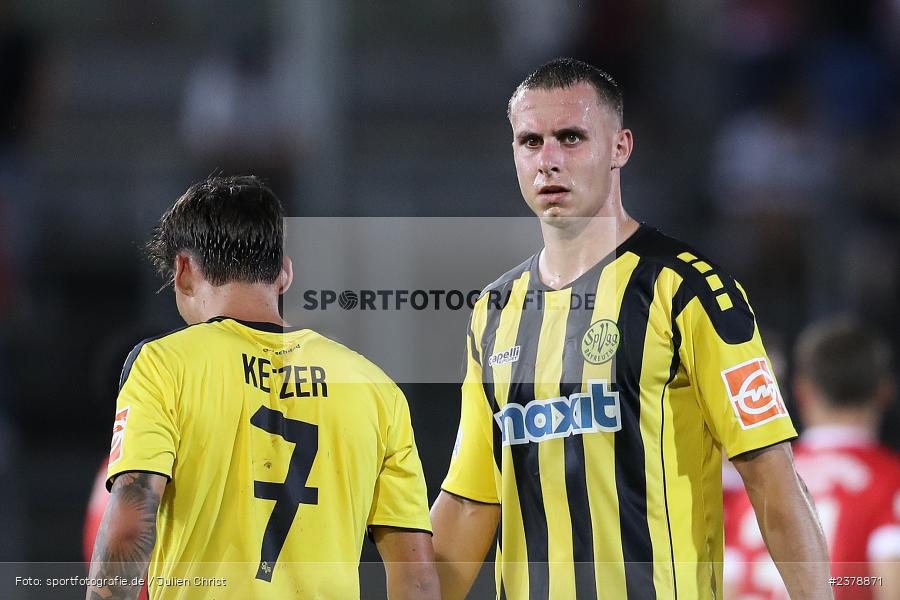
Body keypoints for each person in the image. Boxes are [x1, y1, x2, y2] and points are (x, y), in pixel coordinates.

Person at [429, 58, 831, 599]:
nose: (548, 160)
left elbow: (771, 477)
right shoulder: (495, 311)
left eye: (570, 138)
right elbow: (469, 502)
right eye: (530, 142)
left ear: (620, 147)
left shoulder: (688, 290)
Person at [86, 176, 439, 600]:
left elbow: (128, 526)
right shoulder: (376, 388)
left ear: (182, 271)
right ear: (285, 273)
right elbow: (416, 578)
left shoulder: (163, 366)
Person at [725, 317, 900, 600]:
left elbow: (726, 590)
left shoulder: (755, 485)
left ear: (801, 392)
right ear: (885, 391)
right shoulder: (890, 484)